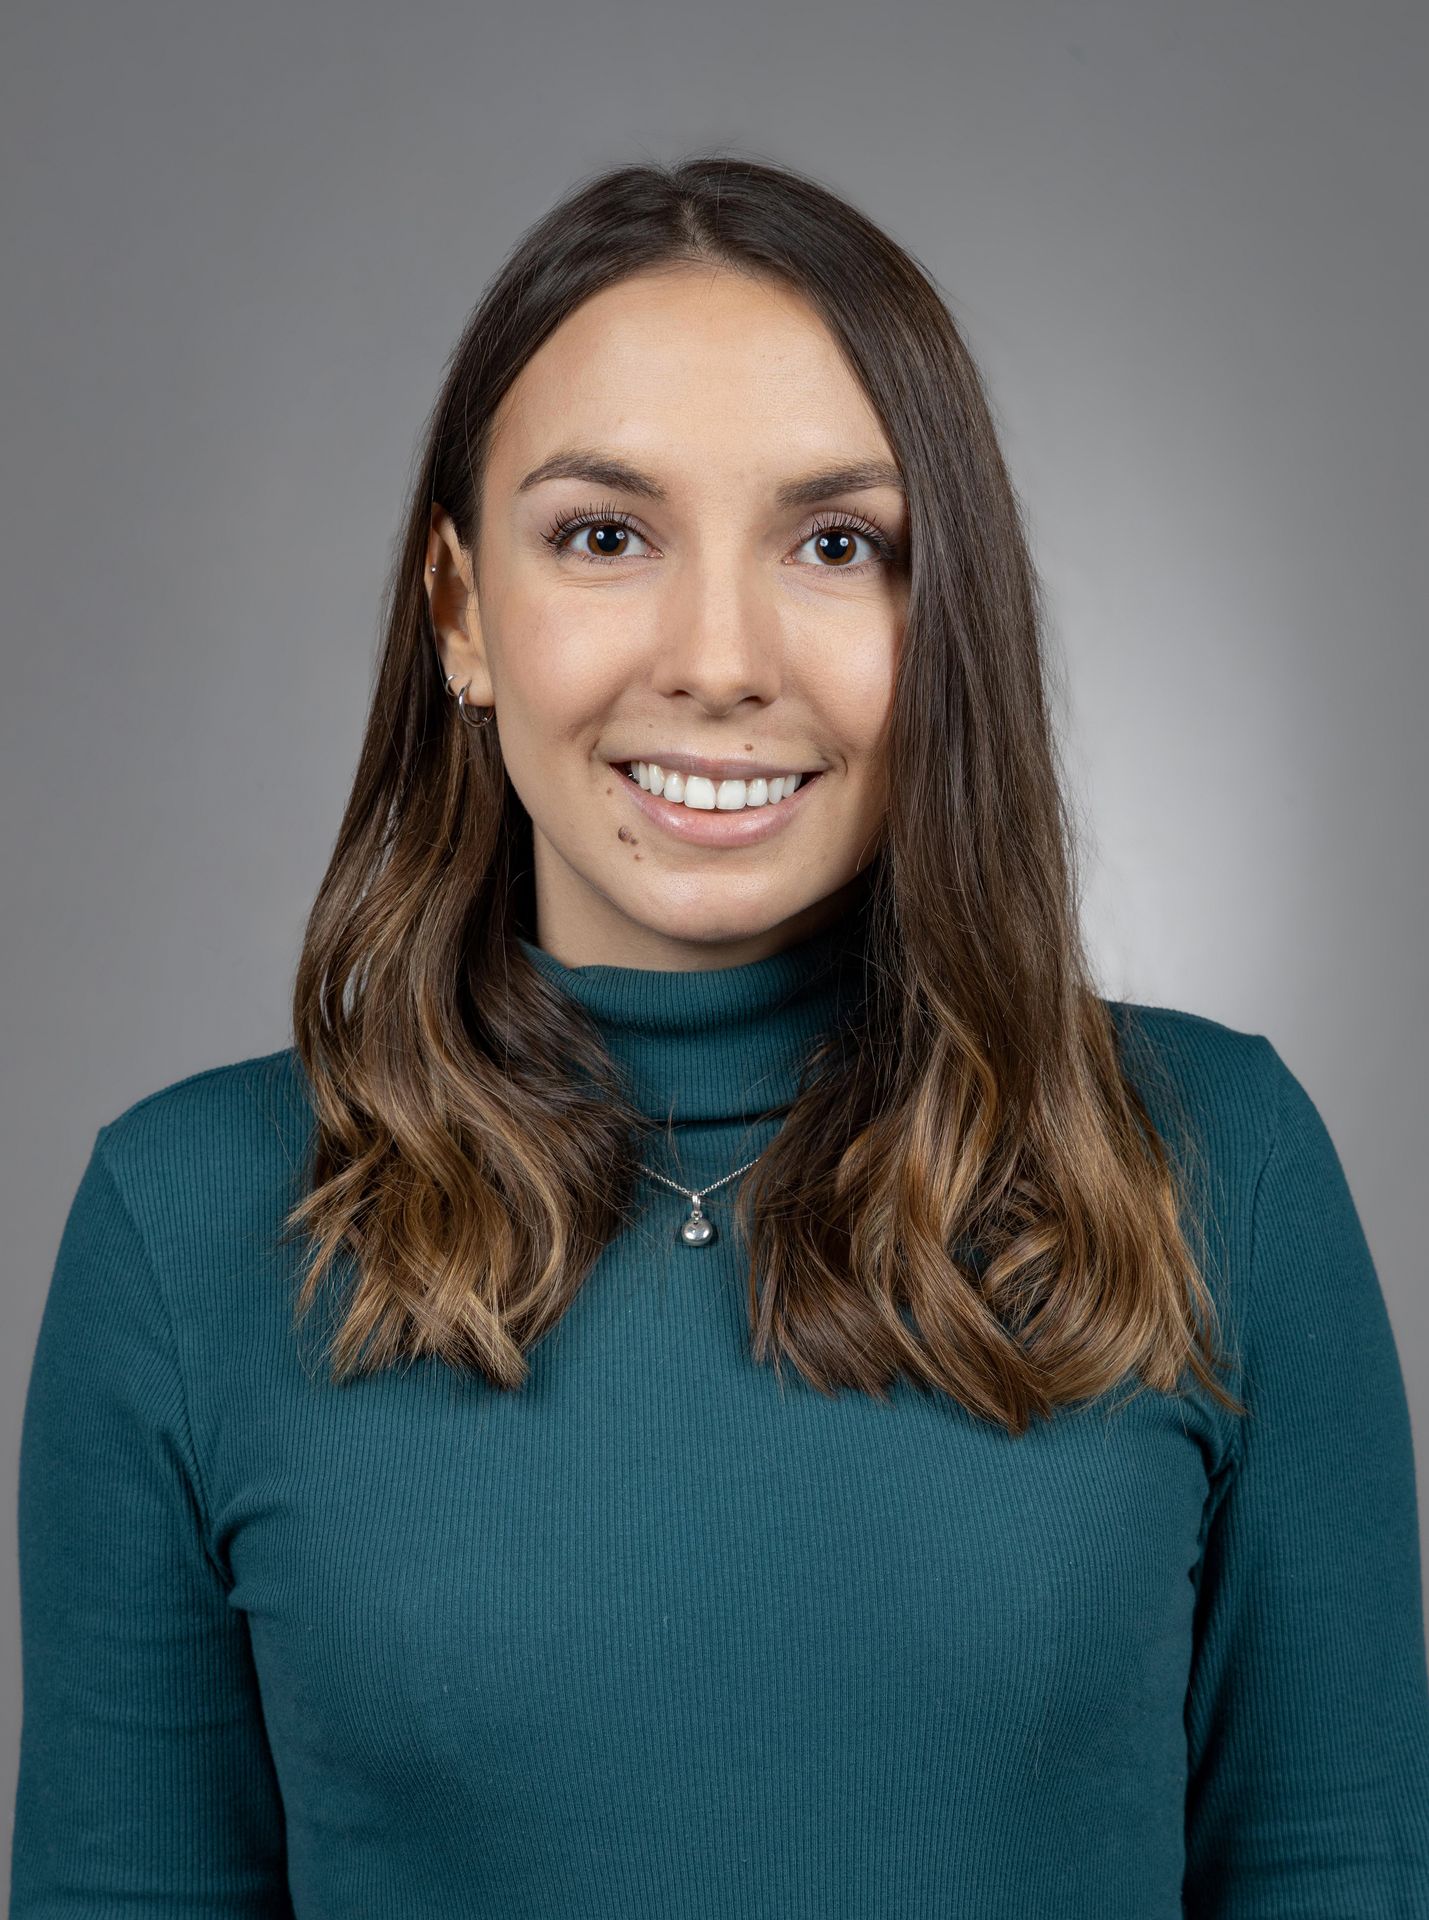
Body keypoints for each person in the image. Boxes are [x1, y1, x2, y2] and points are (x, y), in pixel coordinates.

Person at [11, 152, 1429, 1917]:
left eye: (835, 545)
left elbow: (1335, 1867)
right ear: (461, 612)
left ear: (944, 619)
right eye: (604, 537)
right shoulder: (183, 1222)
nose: (718, 658)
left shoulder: (1218, 1164)